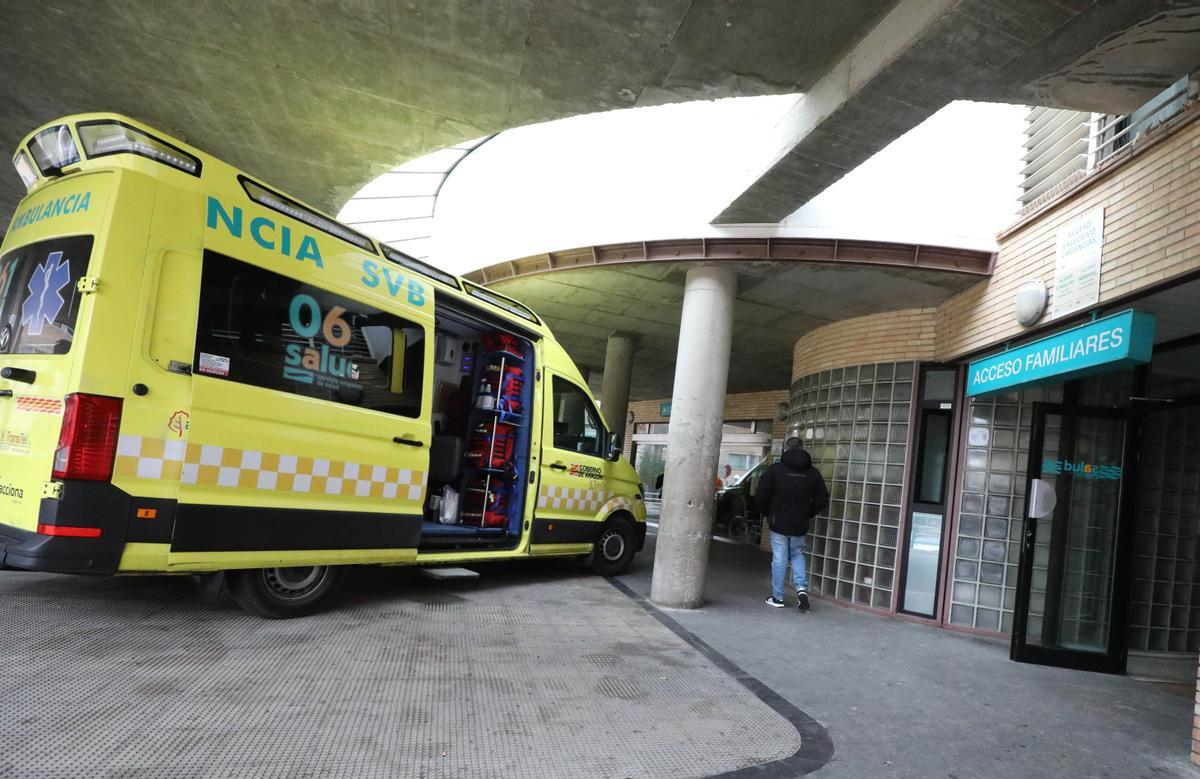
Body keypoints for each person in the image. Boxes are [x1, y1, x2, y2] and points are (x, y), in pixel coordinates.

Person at [756, 437, 829, 612]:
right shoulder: (813, 473)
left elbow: (761, 495)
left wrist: (767, 513)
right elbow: (823, 499)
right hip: (800, 523)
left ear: (785, 449)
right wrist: (807, 513)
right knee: (797, 554)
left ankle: (778, 597)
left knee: (779, 559)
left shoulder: (775, 470)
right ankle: (801, 590)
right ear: (803, 449)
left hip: (778, 522)